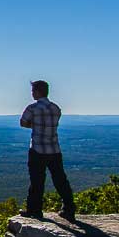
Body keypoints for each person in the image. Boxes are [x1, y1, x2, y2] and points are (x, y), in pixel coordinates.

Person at [19, 80, 76, 221]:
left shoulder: (32, 108)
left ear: (38, 92)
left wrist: (35, 126)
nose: (32, 94)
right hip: (54, 149)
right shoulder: (56, 108)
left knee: (37, 181)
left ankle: (34, 210)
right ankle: (69, 208)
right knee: (60, 180)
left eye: (33, 91)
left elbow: (23, 123)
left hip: (37, 149)